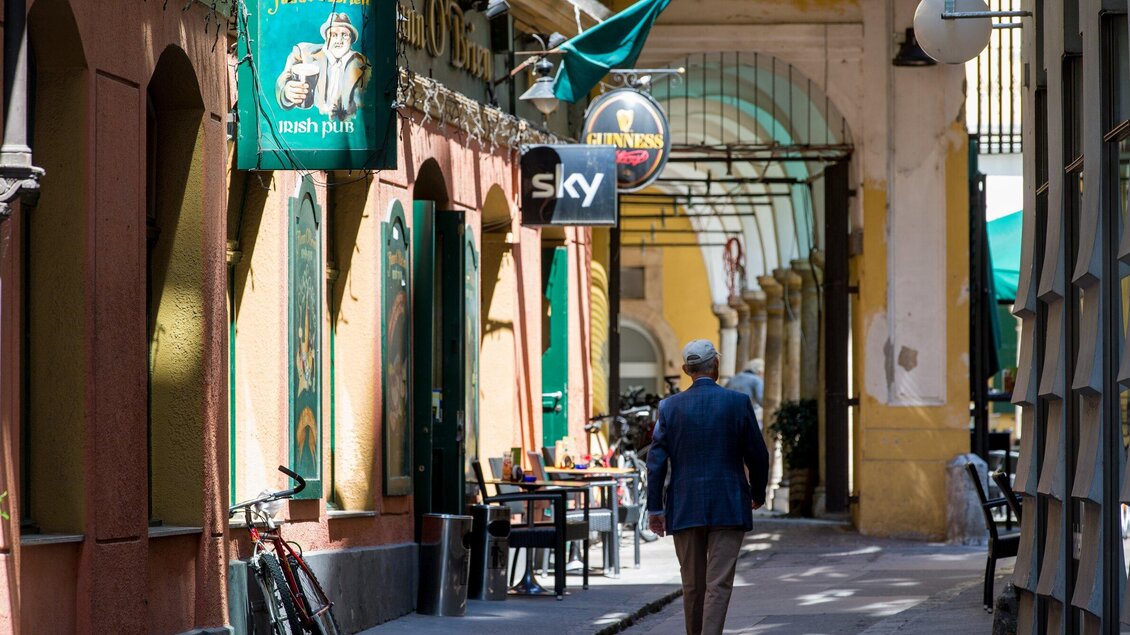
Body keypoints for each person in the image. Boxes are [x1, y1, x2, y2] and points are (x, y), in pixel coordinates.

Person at [647, 340, 769, 635]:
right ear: (715, 365)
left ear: (687, 370)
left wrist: (655, 508)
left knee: (692, 585)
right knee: (719, 583)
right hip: (729, 503)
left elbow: (656, 462)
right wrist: (757, 492)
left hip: (685, 504)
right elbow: (757, 453)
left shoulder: (669, 407)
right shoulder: (737, 403)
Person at [275, 12, 370, 121]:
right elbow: (283, 79)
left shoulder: (363, 64)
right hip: (309, 126)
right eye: (333, 35)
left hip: (343, 126)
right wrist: (286, 92)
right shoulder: (304, 53)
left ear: (351, 39)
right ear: (326, 38)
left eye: (344, 35)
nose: (339, 40)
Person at [726, 358, 764, 424]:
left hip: (729, 413)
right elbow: (761, 400)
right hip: (746, 415)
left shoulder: (734, 378)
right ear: (759, 371)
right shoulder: (756, 380)